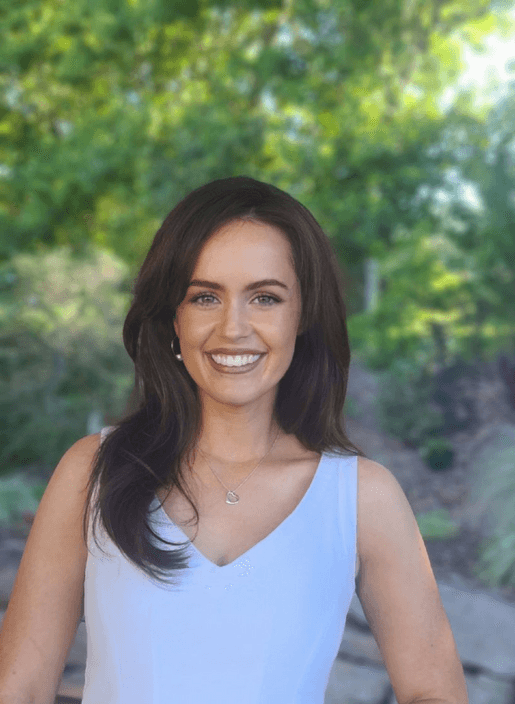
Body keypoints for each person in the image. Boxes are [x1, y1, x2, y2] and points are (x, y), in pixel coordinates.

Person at [0, 176, 468, 704]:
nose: (233, 328)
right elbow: (19, 690)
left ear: (303, 314)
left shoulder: (362, 498)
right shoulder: (93, 472)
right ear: (173, 316)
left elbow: (436, 693)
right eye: (205, 296)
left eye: (265, 298)